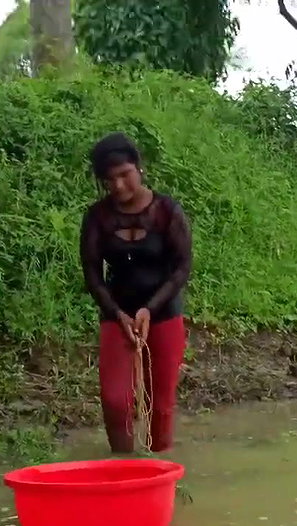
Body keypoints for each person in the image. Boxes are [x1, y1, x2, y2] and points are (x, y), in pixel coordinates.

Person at [80, 132, 192, 453]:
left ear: (139, 169)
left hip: (162, 312)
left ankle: (159, 473)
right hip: (117, 314)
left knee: (161, 403)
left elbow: (182, 267)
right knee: (116, 401)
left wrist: (149, 310)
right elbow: (91, 272)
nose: (117, 186)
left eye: (124, 175)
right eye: (108, 179)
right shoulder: (97, 217)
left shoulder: (167, 211)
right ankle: (122, 468)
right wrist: (117, 313)